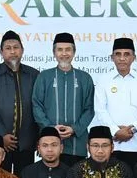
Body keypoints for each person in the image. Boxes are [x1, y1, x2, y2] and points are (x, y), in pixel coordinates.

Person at [92, 37, 137, 173]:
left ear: (134, 58)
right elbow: (100, 110)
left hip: (136, 143)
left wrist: (132, 129)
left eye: (127, 54)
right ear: (112, 57)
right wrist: (116, 131)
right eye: (118, 54)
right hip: (111, 143)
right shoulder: (103, 80)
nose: (122, 58)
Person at [0, 30, 40, 174]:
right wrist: (2, 135)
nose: (12, 51)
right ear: (1, 52)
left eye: (16, 47)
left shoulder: (33, 74)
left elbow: (38, 107)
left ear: (22, 50)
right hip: (0, 143)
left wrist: (39, 138)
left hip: (26, 142)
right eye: (8, 48)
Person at [32, 33, 95, 166]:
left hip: (77, 145)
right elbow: (36, 105)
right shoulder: (44, 77)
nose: (64, 53)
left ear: (74, 52)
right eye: (60, 50)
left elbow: (89, 109)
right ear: (54, 53)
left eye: (68, 49)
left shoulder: (85, 78)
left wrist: (74, 129)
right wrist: (51, 129)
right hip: (50, 144)